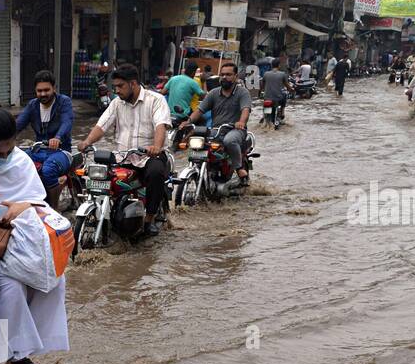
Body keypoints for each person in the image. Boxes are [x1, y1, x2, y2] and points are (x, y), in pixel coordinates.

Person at [0, 101, 69, 364]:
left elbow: (36, 200)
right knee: (10, 287)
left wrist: (20, 208)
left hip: (18, 238)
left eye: (8, 150)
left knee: (53, 277)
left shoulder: (21, 161)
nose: (3, 157)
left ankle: (21, 353)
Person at [76, 63, 173, 235]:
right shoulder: (116, 103)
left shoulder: (156, 100)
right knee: (99, 176)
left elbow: (161, 126)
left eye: (120, 86)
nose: (117, 91)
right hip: (123, 157)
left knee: (156, 173)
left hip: (149, 157)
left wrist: (156, 147)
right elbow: (102, 126)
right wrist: (86, 142)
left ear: (133, 84)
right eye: (115, 87)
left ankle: (149, 220)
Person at [179, 60, 252, 185]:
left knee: (229, 141)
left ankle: (239, 168)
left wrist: (241, 122)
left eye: (228, 74)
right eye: (222, 74)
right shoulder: (213, 93)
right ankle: (200, 168)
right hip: (216, 130)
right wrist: (188, 121)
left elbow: (245, 109)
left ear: (235, 77)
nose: (224, 77)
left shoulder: (242, 92)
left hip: (236, 130)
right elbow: (200, 111)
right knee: (196, 138)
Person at [14, 70, 74, 209]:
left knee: (48, 169)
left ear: (54, 88)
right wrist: (4, 139)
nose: (43, 94)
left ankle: (53, 209)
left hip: (61, 151)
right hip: (38, 149)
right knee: (17, 163)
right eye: (39, 91)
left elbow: (67, 122)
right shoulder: (33, 105)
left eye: (46, 90)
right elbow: (18, 125)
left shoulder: (64, 102)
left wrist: (58, 137)